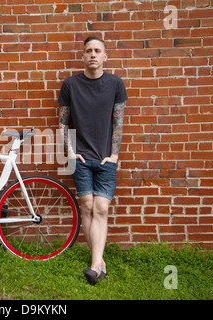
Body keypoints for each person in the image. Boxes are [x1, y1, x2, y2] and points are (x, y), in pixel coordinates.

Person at [58, 35, 127, 285]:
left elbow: (118, 122)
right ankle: (98, 263)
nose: (93, 54)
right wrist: (69, 151)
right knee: (87, 206)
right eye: (89, 51)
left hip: (106, 159)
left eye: (98, 51)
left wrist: (114, 155)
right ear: (83, 56)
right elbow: (63, 122)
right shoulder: (70, 85)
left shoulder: (115, 84)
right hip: (81, 158)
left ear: (105, 57)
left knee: (101, 208)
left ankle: (95, 264)